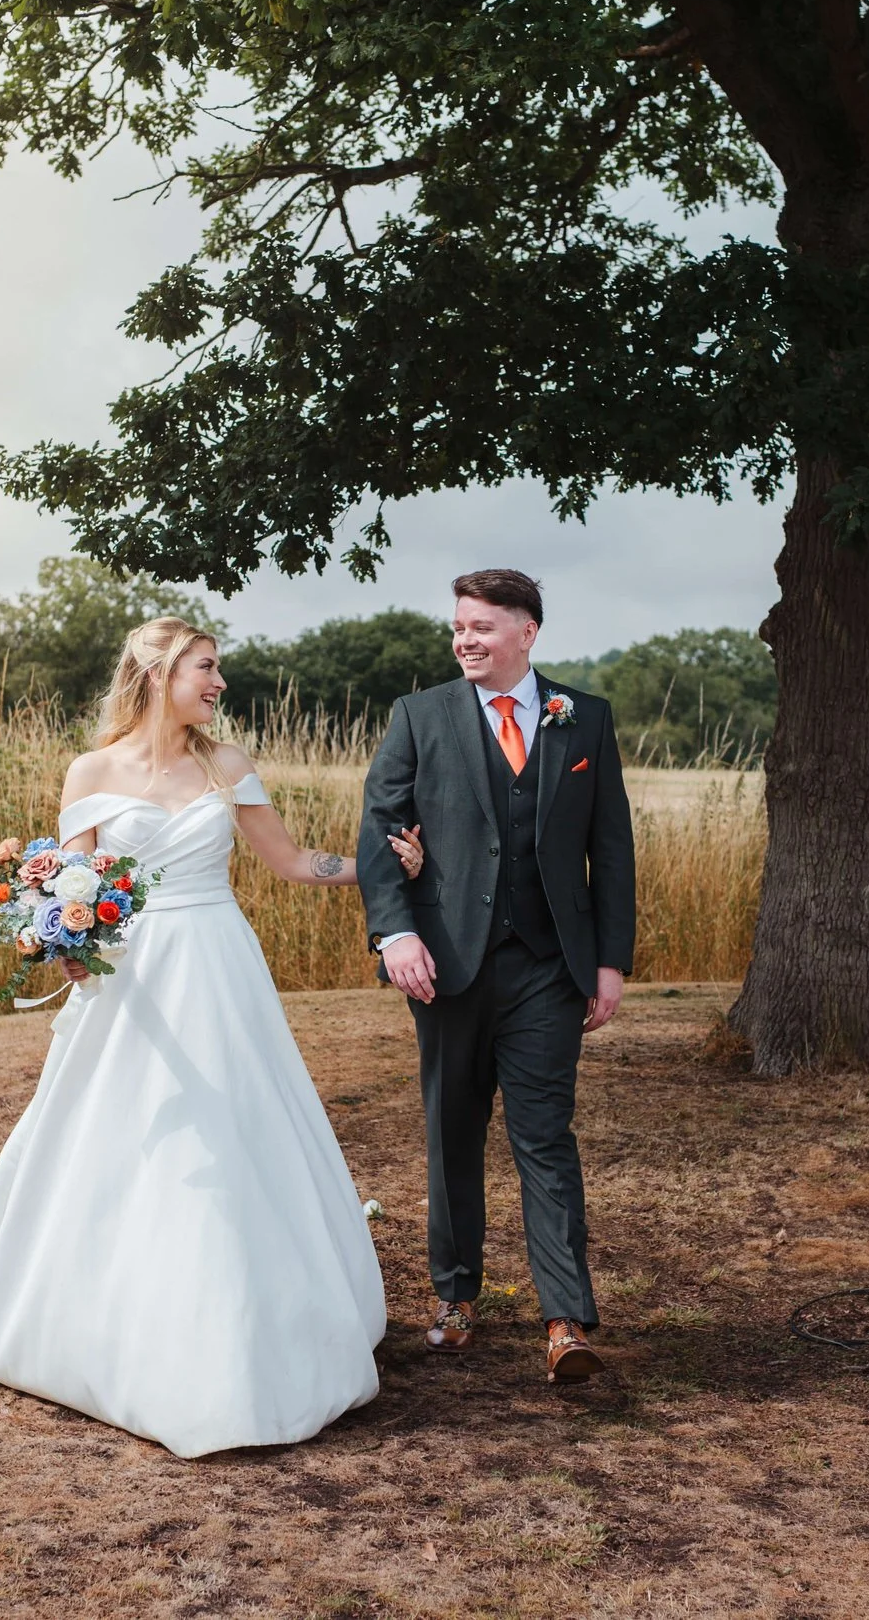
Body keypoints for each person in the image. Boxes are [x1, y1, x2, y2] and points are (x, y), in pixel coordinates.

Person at [0, 617, 422, 1458]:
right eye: (206, 667)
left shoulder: (227, 768)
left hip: (216, 966)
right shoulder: (92, 770)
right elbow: (72, 884)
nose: (219, 682)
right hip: (132, 978)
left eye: (218, 668)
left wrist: (386, 865)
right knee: (116, 1129)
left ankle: (237, 1314)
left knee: (228, 1132)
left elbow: (296, 862)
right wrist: (65, 944)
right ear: (159, 672)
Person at [356, 569, 636, 1383]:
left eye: (482, 626)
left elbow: (610, 848)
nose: (465, 640)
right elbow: (381, 830)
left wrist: (609, 961)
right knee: (451, 1131)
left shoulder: (583, 718)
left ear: (527, 631)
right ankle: (454, 1295)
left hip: (550, 968)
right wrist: (395, 931)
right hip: (445, 966)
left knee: (545, 1138)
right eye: (458, 627)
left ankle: (565, 1320)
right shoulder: (421, 715)